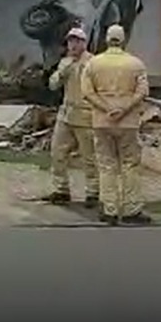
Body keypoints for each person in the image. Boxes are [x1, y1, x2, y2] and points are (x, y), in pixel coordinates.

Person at [80, 24, 150, 226]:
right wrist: (124, 108)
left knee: (106, 165)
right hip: (128, 122)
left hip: (102, 121)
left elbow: (87, 92)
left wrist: (105, 108)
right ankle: (131, 209)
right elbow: (142, 91)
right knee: (130, 164)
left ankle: (109, 209)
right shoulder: (136, 64)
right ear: (123, 39)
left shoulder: (93, 64)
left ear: (107, 39)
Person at [43, 26, 99, 208]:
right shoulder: (65, 62)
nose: (73, 45)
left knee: (89, 156)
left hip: (85, 114)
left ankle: (93, 192)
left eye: (77, 41)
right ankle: (61, 189)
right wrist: (61, 73)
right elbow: (52, 85)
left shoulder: (93, 62)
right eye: (70, 41)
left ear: (84, 43)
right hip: (66, 114)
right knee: (57, 152)